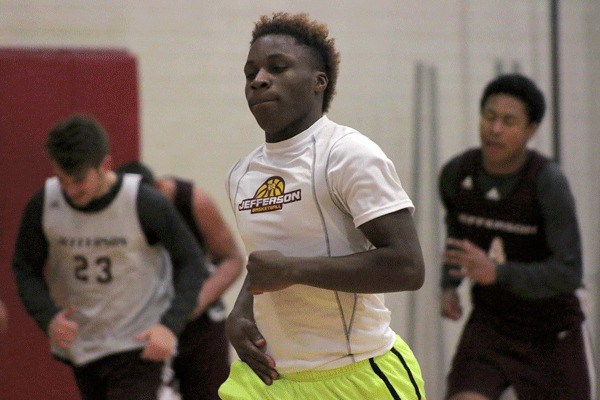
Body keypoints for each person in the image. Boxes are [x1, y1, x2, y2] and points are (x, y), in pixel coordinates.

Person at [218, 12, 426, 400]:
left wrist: (293, 270)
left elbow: (407, 267)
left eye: (277, 68)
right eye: (251, 72)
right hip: (269, 380)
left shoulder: (349, 155)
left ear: (319, 82)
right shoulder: (241, 174)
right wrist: (241, 309)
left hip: (356, 375)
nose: (259, 79)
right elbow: (268, 264)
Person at [12, 114, 208, 400]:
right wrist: (48, 317)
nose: (71, 189)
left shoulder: (143, 202)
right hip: (83, 344)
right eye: (62, 179)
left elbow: (191, 263)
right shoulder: (44, 204)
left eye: (78, 180)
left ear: (105, 165)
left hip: (137, 343)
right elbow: (24, 268)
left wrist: (170, 326)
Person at [440, 73, 593, 400]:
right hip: (491, 325)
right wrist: (449, 285)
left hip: (552, 332)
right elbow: (457, 232)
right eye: (489, 117)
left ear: (531, 130)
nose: (495, 129)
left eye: (509, 121)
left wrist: (498, 273)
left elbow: (570, 272)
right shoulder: (457, 173)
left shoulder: (548, 182)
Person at [116, 161, 245, 400]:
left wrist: (193, 302)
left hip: (199, 327)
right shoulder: (113, 214)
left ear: (159, 189)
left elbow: (233, 260)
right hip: (145, 325)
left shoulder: (193, 201)